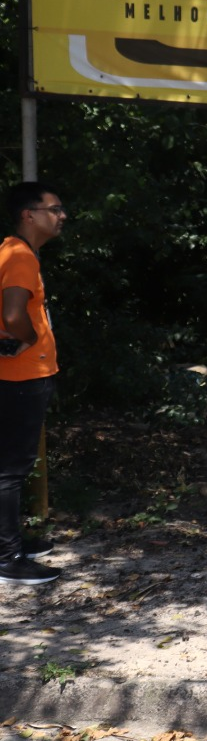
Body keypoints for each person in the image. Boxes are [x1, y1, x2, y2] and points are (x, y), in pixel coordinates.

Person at [0, 182, 67, 585]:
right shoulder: (20, 255)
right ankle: (8, 557)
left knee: (8, 466)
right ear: (29, 214)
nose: (61, 217)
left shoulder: (11, 251)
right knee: (10, 468)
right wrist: (26, 339)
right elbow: (11, 315)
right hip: (22, 377)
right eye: (54, 209)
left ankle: (9, 539)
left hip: (15, 376)